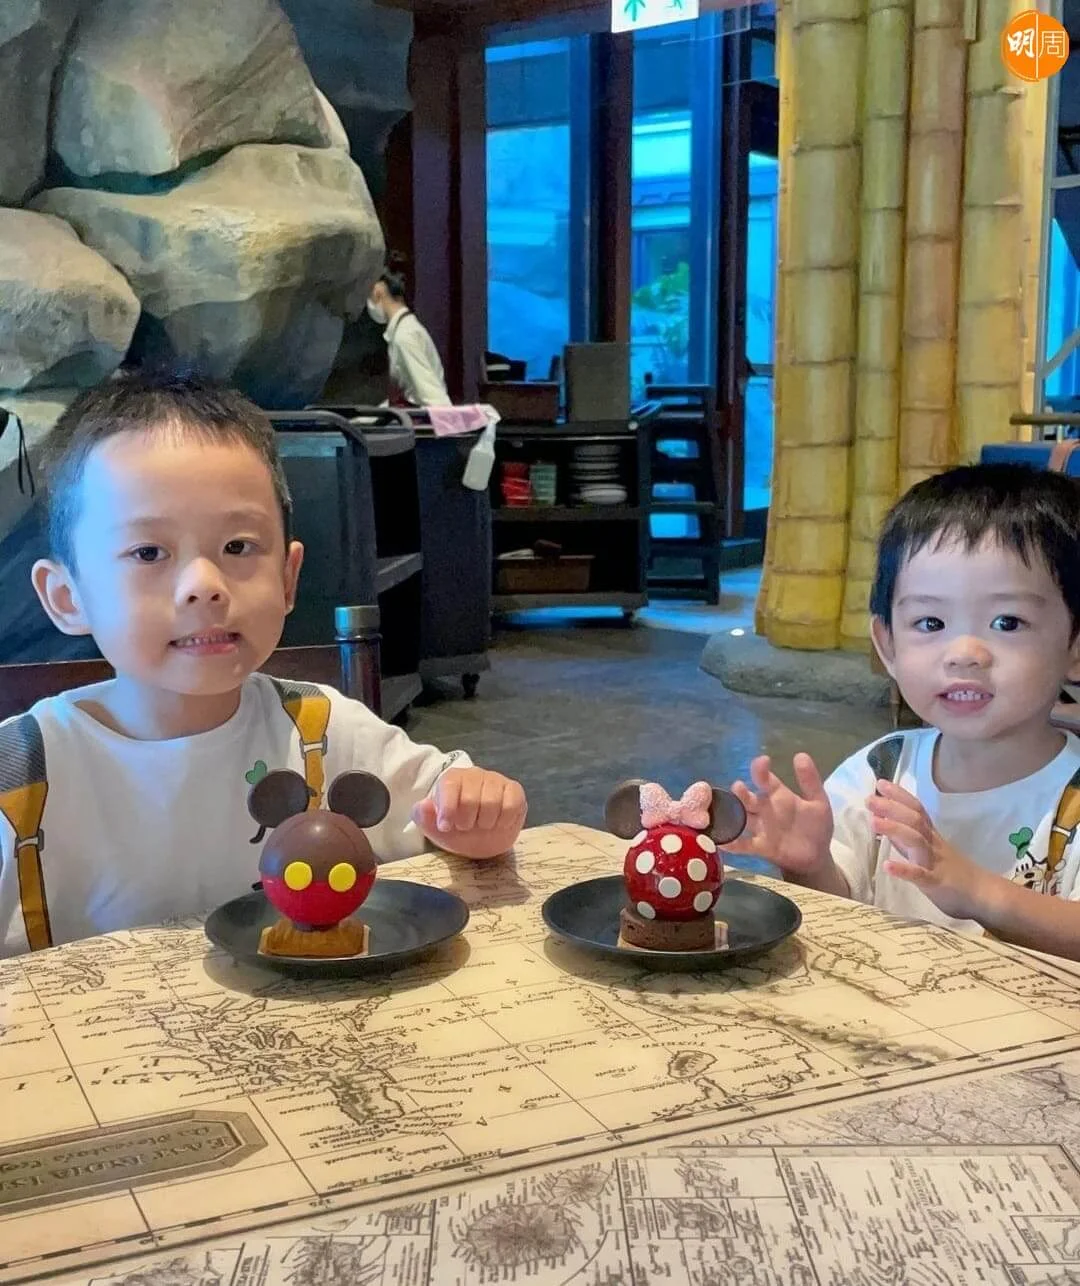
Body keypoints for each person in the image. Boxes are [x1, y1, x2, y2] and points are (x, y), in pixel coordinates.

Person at [0, 373, 526, 956]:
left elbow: (450, 806)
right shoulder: (19, 771)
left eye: (238, 547)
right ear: (67, 597)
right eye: (148, 552)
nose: (204, 584)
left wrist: (478, 814)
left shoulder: (323, 730)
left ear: (287, 577)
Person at [724, 463, 1080, 957]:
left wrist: (976, 891)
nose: (964, 654)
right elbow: (845, 915)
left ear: (1075, 646)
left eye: (1008, 622)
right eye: (930, 622)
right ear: (887, 644)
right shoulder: (882, 771)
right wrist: (809, 866)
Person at [367, 256, 451, 408]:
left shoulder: (404, 336)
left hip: (418, 418)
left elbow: (434, 398)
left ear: (378, 290)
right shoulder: (404, 330)